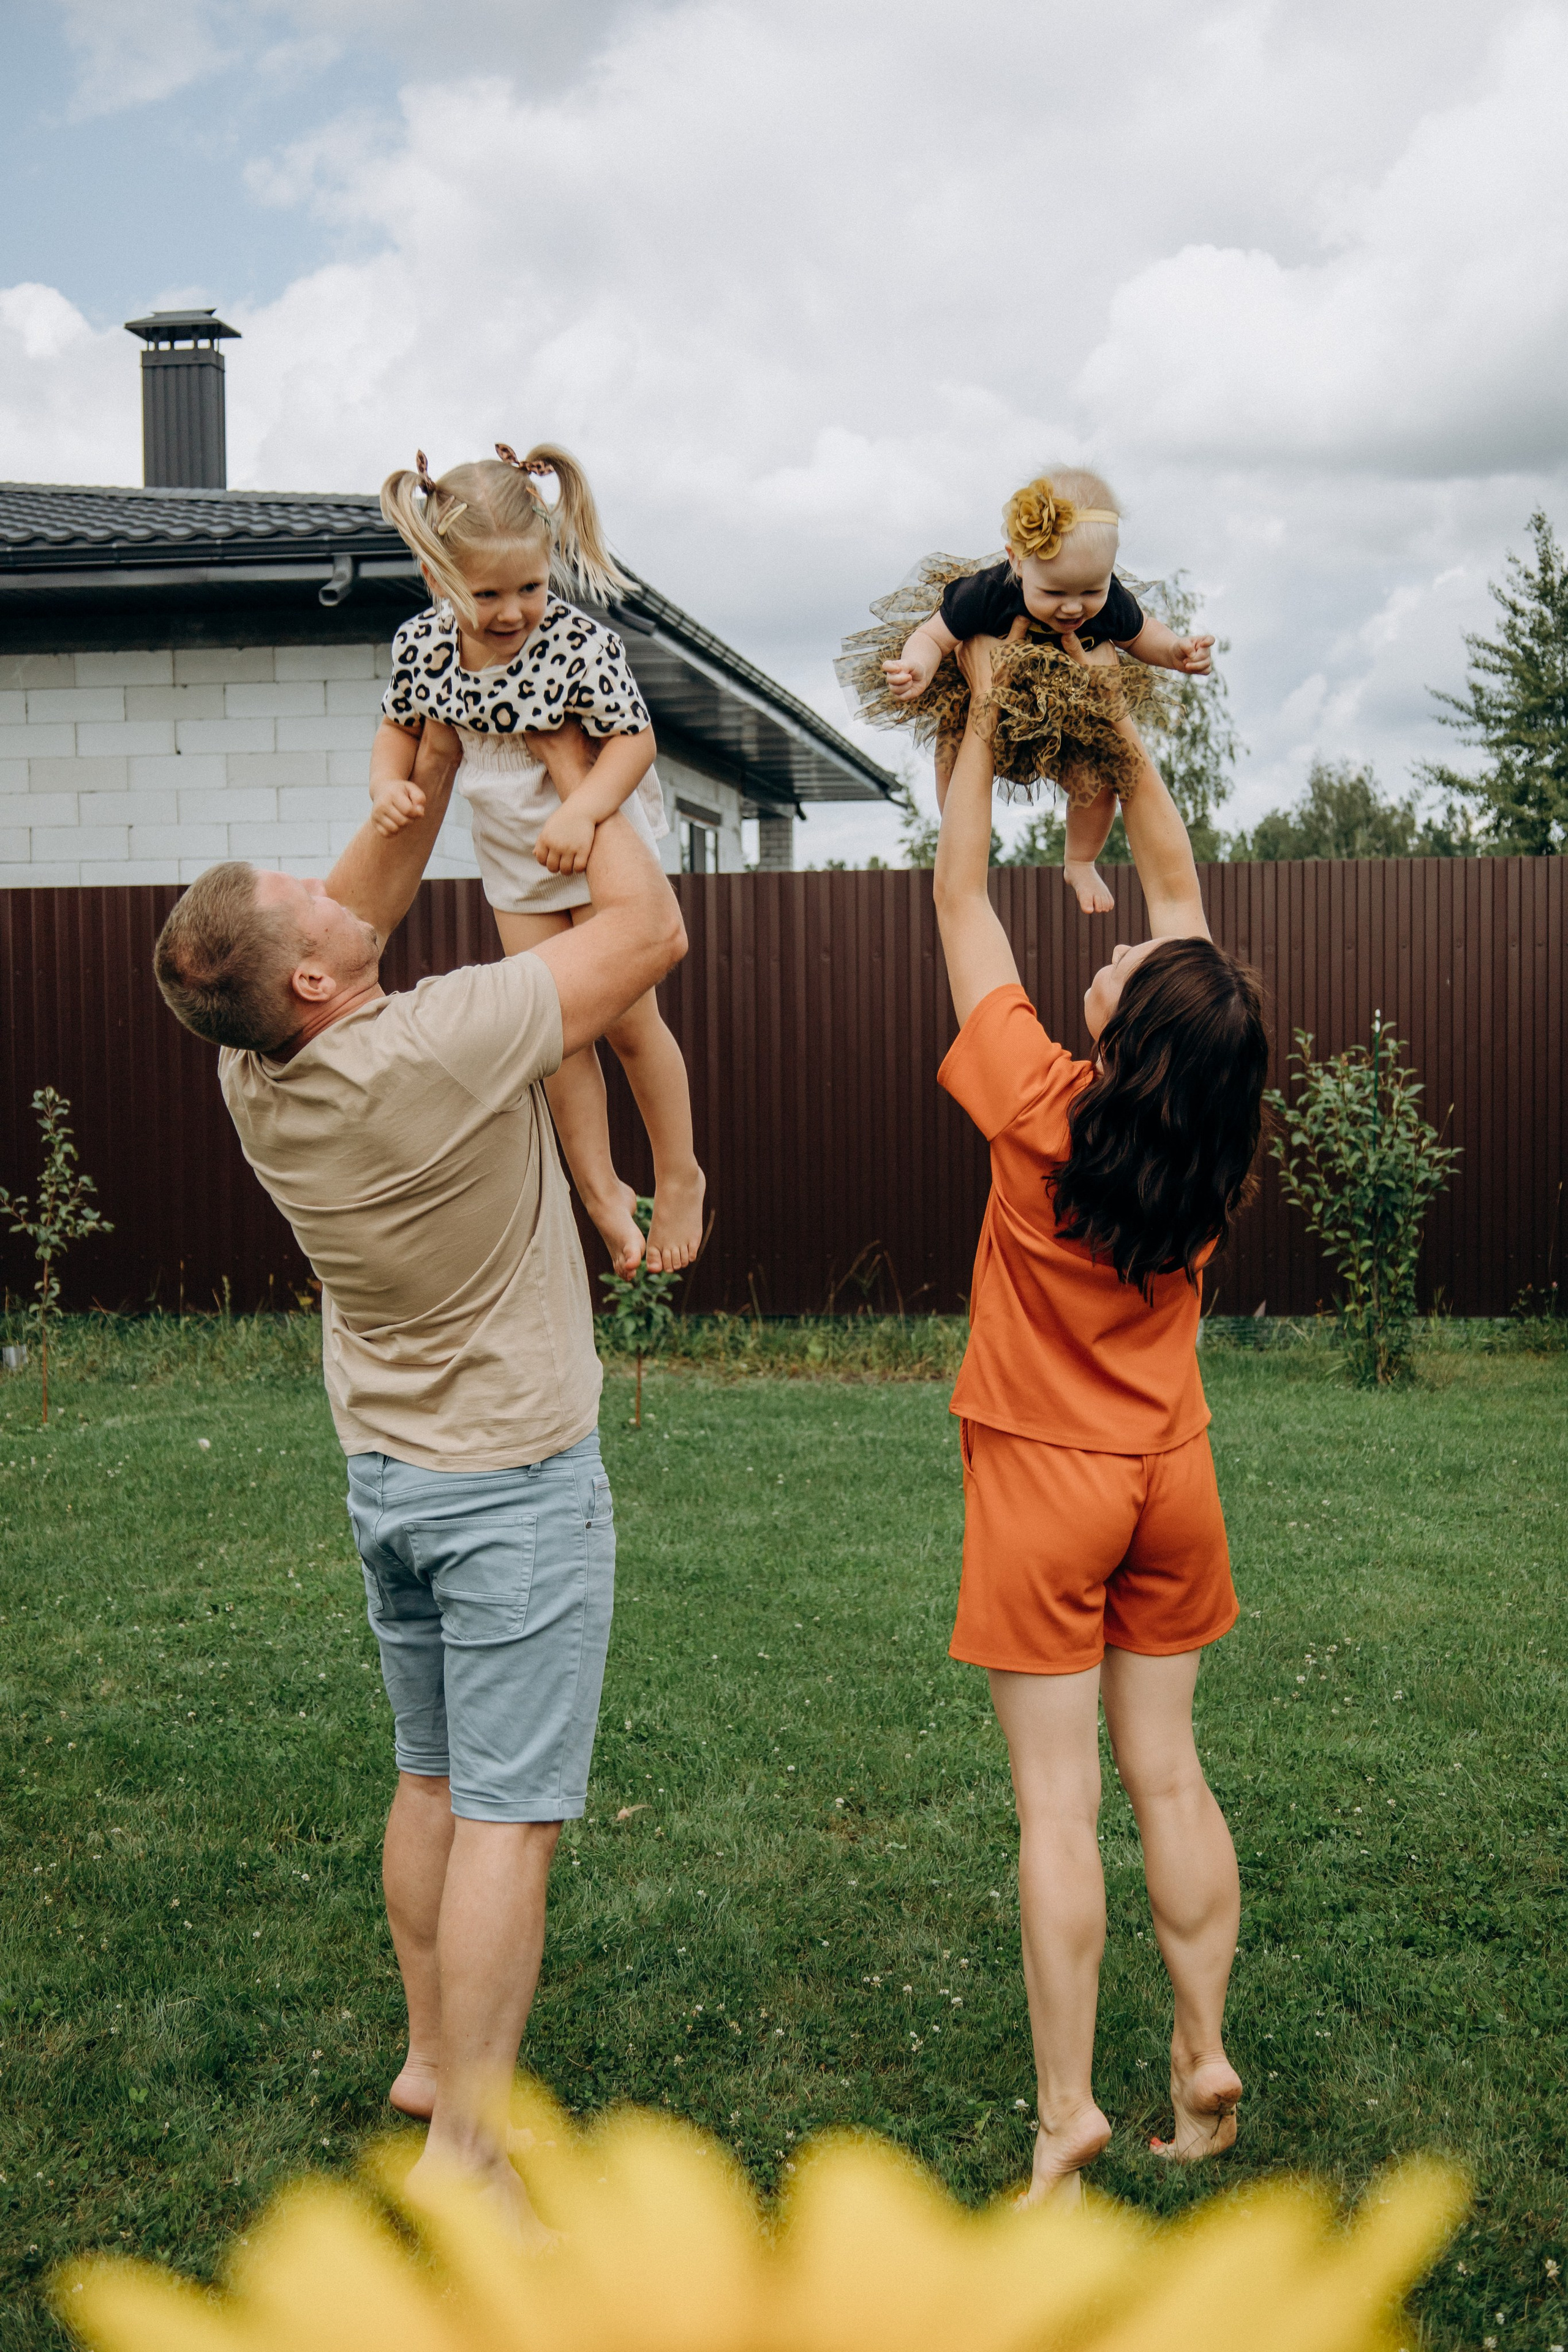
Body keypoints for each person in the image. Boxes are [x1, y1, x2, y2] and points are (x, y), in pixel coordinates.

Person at [151, 717, 687, 2235]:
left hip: (390, 1479)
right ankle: (467, 2145)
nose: (326, 876)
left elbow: (359, 888)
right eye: (296, 889)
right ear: (311, 981)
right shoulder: (433, 1043)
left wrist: (440, 737)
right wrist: (589, 760)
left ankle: (426, 2056)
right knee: (509, 1816)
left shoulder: (260, 1069)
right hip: (507, 1484)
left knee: (435, 1778)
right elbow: (648, 932)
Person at [930, 629, 1268, 2207]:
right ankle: (1197, 2055)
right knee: (1170, 1777)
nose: (1129, 943)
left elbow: (958, 898)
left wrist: (993, 709)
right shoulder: (1209, 1140)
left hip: (1044, 1487)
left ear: (1128, 1031)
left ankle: (1065, 2108)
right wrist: (1118, 720)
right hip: (1170, 1478)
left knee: (1056, 1808)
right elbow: (1177, 886)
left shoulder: (1033, 1100)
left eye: (1131, 966)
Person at [372, 441, 705, 1280]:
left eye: (530, 585)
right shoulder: (423, 646)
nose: (515, 609)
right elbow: (399, 726)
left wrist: (586, 809)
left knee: (630, 1024)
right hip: (510, 847)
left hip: (594, 826)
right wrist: (387, 787)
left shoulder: (576, 644)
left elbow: (634, 740)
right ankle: (598, 1189)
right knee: (553, 1032)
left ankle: (679, 1173)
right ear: (435, 575)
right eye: (488, 593)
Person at [835, 468, 1215, 914]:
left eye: (1091, 590)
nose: (1074, 607)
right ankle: (956, 836)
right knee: (952, 759)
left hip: (1070, 708)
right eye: (1054, 592)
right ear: (1016, 561)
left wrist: (1175, 650)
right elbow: (933, 636)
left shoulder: (1109, 599)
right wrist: (917, 665)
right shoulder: (986, 594)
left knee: (1102, 780)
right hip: (985, 693)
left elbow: (1140, 635)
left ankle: (1080, 859)